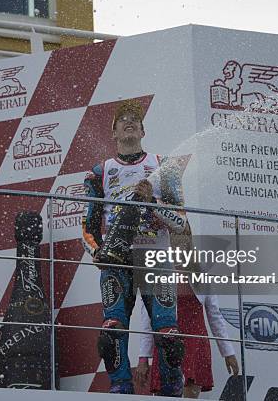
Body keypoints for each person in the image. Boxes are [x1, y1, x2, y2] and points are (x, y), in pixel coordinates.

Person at [82, 100, 190, 395]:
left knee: (168, 335)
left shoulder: (162, 165)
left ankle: (170, 392)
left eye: (135, 119)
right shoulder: (99, 172)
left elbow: (180, 222)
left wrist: (152, 204)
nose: (129, 122)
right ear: (114, 132)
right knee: (112, 330)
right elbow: (88, 227)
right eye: (122, 120)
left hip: (155, 256)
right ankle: (121, 389)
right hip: (117, 260)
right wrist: (97, 253)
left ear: (143, 130)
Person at [136, 285, 239, 398]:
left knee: (190, 393)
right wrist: (143, 358)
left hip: (195, 344)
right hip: (167, 344)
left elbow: (215, 316)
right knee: (166, 394)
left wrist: (228, 352)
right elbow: (147, 321)